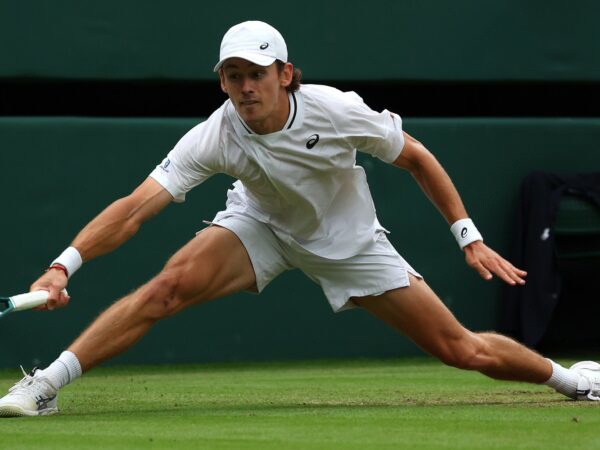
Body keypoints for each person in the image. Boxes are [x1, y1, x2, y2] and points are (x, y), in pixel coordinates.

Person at [1, 20, 598, 418]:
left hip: (351, 245)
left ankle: (573, 380)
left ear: (285, 74)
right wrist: (62, 265)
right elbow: (135, 208)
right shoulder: (216, 134)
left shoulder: (337, 111)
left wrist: (468, 237)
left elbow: (416, 157)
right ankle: (46, 384)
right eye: (232, 76)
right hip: (260, 225)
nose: (244, 87)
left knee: (462, 350)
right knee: (166, 289)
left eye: (256, 74)